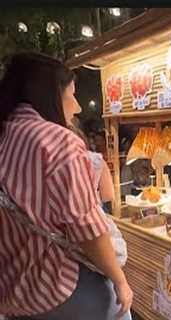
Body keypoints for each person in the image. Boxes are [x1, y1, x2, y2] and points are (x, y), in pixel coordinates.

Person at [0, 53, 132, 320]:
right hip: (56, 287)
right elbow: (88, 229)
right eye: (72, 94)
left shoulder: (6, 133)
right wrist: (120, 280)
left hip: (12, 290)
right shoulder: (59, 141)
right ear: (49, 94)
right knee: (120, 309)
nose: (78, 106)